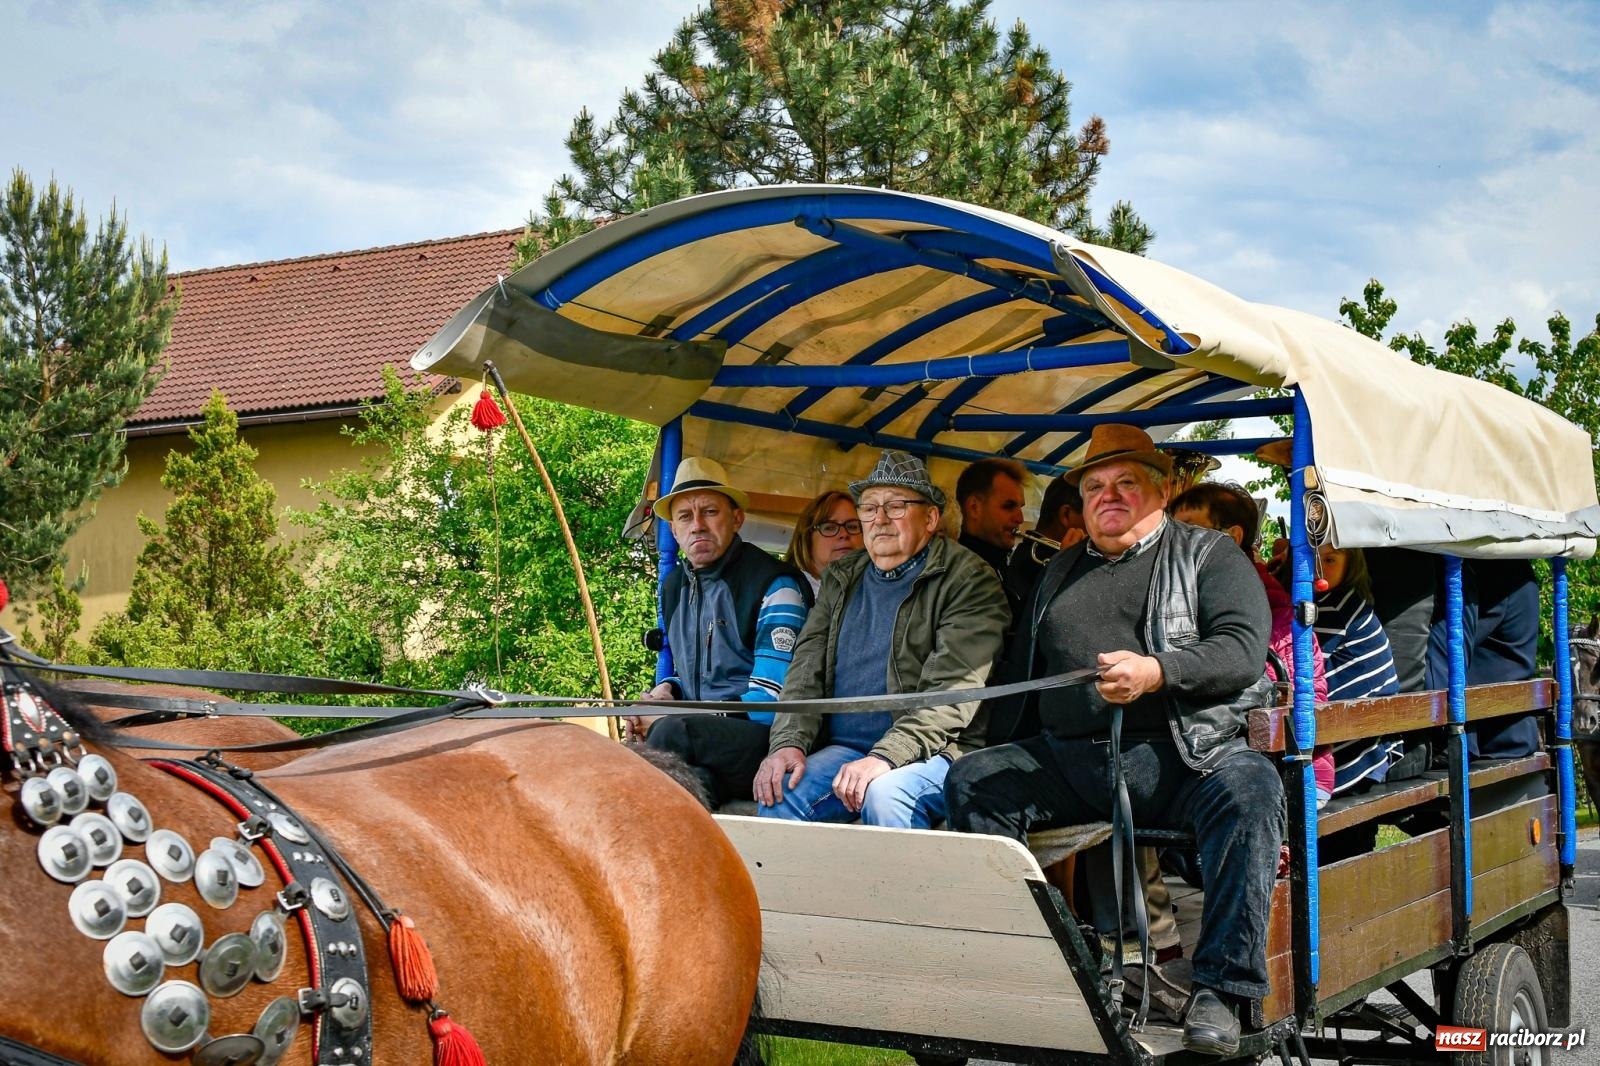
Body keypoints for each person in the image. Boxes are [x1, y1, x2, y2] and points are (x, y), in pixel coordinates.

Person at [944, 424, 1279, 1057]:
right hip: (1073, 763)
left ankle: (1223, 989)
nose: (1109, 495)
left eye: (1128, 482)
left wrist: (1158, 672)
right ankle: (1056, 964)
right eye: (1095, 485)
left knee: (1252, 794)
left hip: (1187, 759)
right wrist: (971, 743)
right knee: (971, 782)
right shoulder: (1060, 569)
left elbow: (1242, 648)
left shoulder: (1209, 555)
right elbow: (1023, 672)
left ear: (1163, 490)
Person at [753, 450, 1009, 829]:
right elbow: (805, 668)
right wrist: (788, 742)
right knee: (781, 794)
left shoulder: (969, 579)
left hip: (940, 750)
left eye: (897, 506)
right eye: (869, 508)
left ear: (931, 518)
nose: (880, 520)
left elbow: (952, 693)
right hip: (847, 749)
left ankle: (902, 891)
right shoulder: (842, 576)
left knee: (886, 795)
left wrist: (886, 758)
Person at [627, 457, 811, 807]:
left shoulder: (774, 584)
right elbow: (699, 677)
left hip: (769, 739)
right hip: (708, 742)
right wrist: (668, 690)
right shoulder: (673, 587)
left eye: (710, 511)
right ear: (675, 530)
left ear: (736, 518)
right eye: (685, 516)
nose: (697, 525)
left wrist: (673, 718)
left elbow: (774, 702)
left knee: (670, 732)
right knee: (689, 784)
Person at [1172, 482, 1331, 802]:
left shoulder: (1251, 596)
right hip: (1236, 757)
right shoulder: (1192, 586)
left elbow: (1254, 694)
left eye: (1189, 528)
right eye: (1172, 529)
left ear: (1232, 537)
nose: (1174, 540)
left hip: (1288, 769)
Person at [1004, 474, 1085, 606]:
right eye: (1091, 515)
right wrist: (1066, 569)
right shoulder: (1031, 563)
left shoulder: (1031, 554)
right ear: (1066, 515)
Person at [955, 456, 1028, 578]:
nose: (1020, 519)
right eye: (1008, 506)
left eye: (1021, 507)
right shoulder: (961, 572)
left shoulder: (1000, 563)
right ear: (974, 508)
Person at [783, 490, 864, 596]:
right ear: (806, 537)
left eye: (852, 526)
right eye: (829, 527)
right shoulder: (786, 591)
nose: (844, 534)